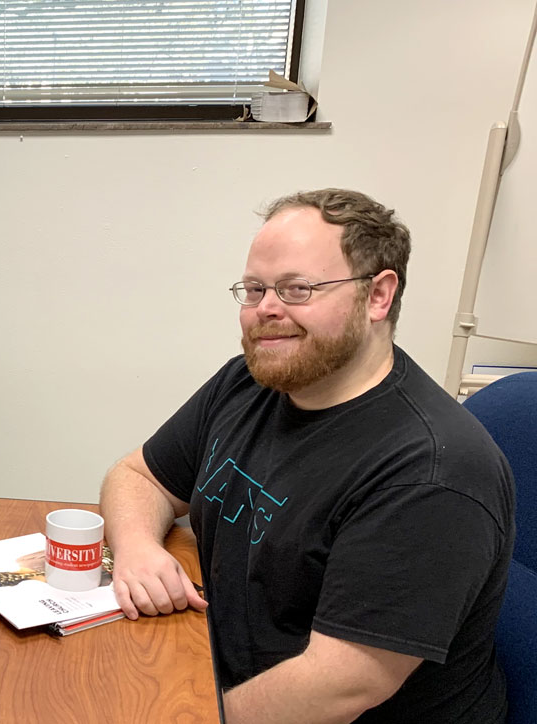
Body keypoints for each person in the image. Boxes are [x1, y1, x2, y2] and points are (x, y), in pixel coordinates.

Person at [99, 189, 514, 724]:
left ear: (378, 296)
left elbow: (339, 687)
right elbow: (137, 475)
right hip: (212, 668)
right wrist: (135, 547)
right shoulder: (249, 382)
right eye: (254, 289)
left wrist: (189, 715)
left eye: (298, 288)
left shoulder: (431, 472)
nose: (267, 309)